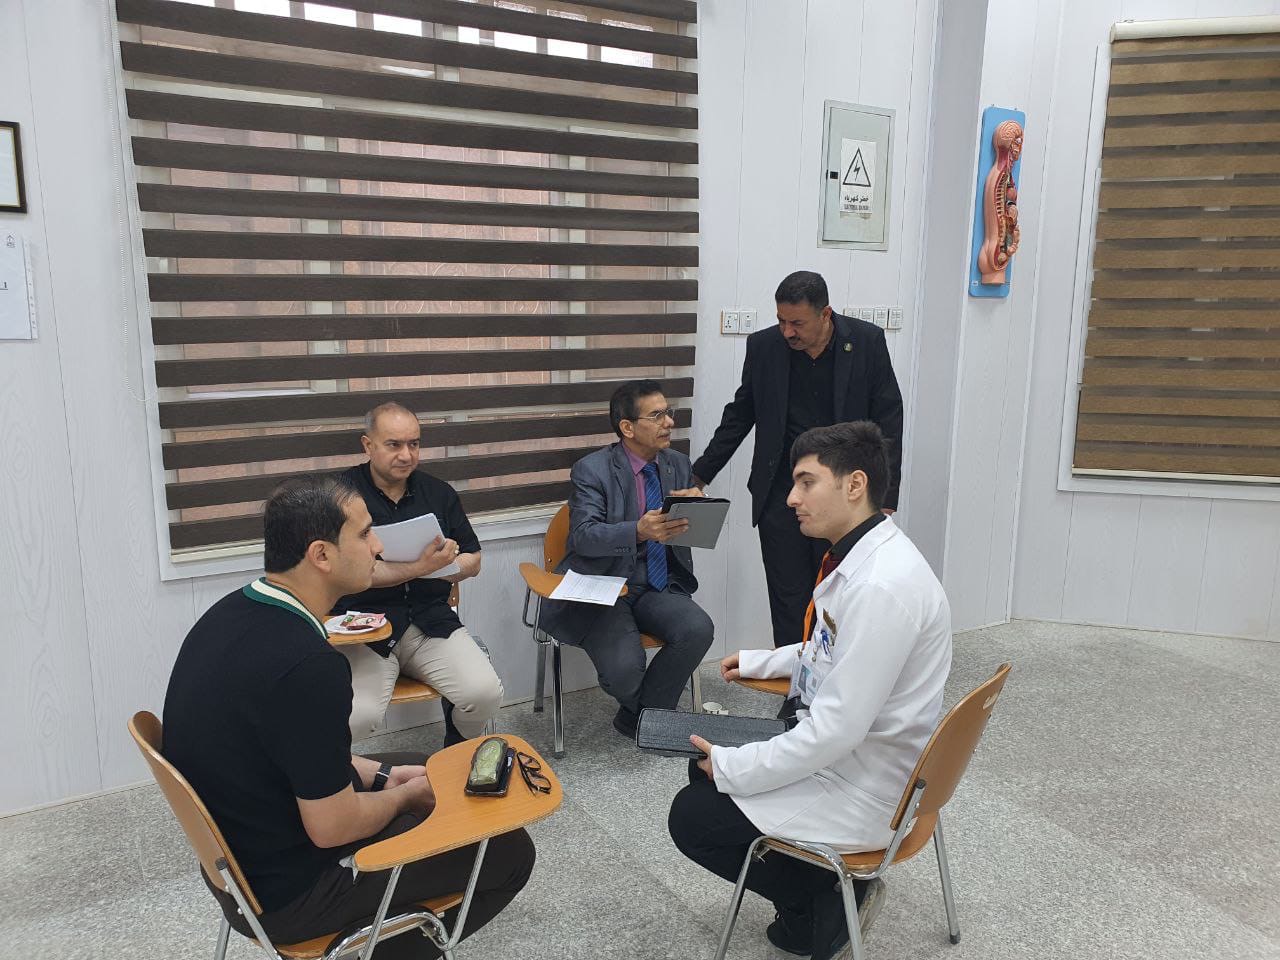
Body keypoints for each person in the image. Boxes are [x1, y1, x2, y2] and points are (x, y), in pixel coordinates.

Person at [162, 475, 535, 958]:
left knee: (416, 763)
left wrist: (382, 777)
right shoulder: (309, 665)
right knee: (510, 852)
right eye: (364, 534)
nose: (378, 546)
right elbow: (332, 827)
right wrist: (403, 798)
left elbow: (287, 750)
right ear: (321, 555)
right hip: (291, 896)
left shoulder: (229, 614)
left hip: (236, 867)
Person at [668, 422, 951, 960]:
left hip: (861, 784)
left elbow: (834, 732)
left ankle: (827, 900)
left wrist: (733, 765)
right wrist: (765, 660)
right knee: (702, 765)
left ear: (854, 484)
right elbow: (834, 648)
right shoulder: (866, 556)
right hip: (859, 754)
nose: (791, 498)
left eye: (806, 482)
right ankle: (820, 888)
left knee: (693, 816)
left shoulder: (880, 587)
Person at [690, 270, 904, 649]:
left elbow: (888, 420)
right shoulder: (764, 347)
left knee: (840, 596)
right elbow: (740, 415)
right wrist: (700, 476)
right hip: (782, 494)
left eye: (797, 323)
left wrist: (883, 499)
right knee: (788, 599)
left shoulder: (866, 342)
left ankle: (837, 680)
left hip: (843, 496)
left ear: (826, 314)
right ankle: (792, 681)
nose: (787, 332)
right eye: (781, 321)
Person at [539, 379, 715, 738]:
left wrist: (697, 509)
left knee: (698, 629)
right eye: (657, 415)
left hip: (658, 581)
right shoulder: (592, 470)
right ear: (627, 427)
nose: (669, 422)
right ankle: (654, 717)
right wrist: (637, 531)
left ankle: (637, 719)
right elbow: (583, 536)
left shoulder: (678, 464)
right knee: (623, 672)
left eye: (668, 412)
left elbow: (686, 533)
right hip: (604, 585)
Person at [335, 402, 503, 745]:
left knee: (484, 694)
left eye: (414, 444)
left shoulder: (438, 493)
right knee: (356, 719)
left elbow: (473, 559)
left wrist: (448, 567)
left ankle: (455, 750)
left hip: (430, 621)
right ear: (368, 445)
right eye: (394, 444)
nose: (406, 455)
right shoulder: (340, 496)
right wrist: (421, 567)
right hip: (365, 629)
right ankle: (348, 774)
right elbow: (349, 573)